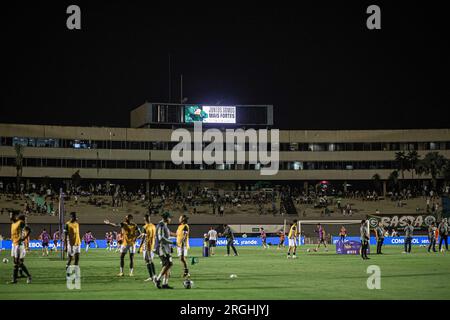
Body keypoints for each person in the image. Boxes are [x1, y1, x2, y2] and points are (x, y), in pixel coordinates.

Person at [154, 211, 176, 289]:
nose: (170, 219)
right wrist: (172, 242)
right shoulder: (161, 225)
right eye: (169, 218)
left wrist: (175, 235)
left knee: (167, 265)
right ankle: (157, 279)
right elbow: (161, 238)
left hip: (165, 248)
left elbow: (167, 234)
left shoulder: (164, 225)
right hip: (161, 248)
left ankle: (165, 283)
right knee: (168, 264)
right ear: (166, 218)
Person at [9, 212, 32, 284]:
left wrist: (24, 237)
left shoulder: (20, 222)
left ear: (15, 216)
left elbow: (28, 229)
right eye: (10, 215)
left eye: (11, 215)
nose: (10, 217)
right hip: (14, 244)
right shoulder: (12, 224)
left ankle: (28, 276)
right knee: (15, 262)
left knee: (18, 262)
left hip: (19, 244)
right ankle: (14, 279)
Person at [138, 214, 157, 282]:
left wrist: (139, 247)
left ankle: (152, 276)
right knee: (150, 260)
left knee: (147, 261)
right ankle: (153, 276)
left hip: (147, 246)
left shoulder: (145, 227)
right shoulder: (153, 226)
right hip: (152, 245)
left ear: (144, 219)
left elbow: (143, 238)